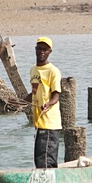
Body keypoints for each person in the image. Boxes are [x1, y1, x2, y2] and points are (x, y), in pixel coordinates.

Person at [24, 37, 62, 168]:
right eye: (39, 49)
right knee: (39, 160)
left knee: (46, 162)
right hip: (39, 124)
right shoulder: (33, 70)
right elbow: (34, 93)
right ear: (35, 49)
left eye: (45, 50)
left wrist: (48, 104)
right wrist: (20, 102)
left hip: (49, 123)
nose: (42, 52)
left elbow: (56, 96)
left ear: (50, 52)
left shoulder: (53, 71)